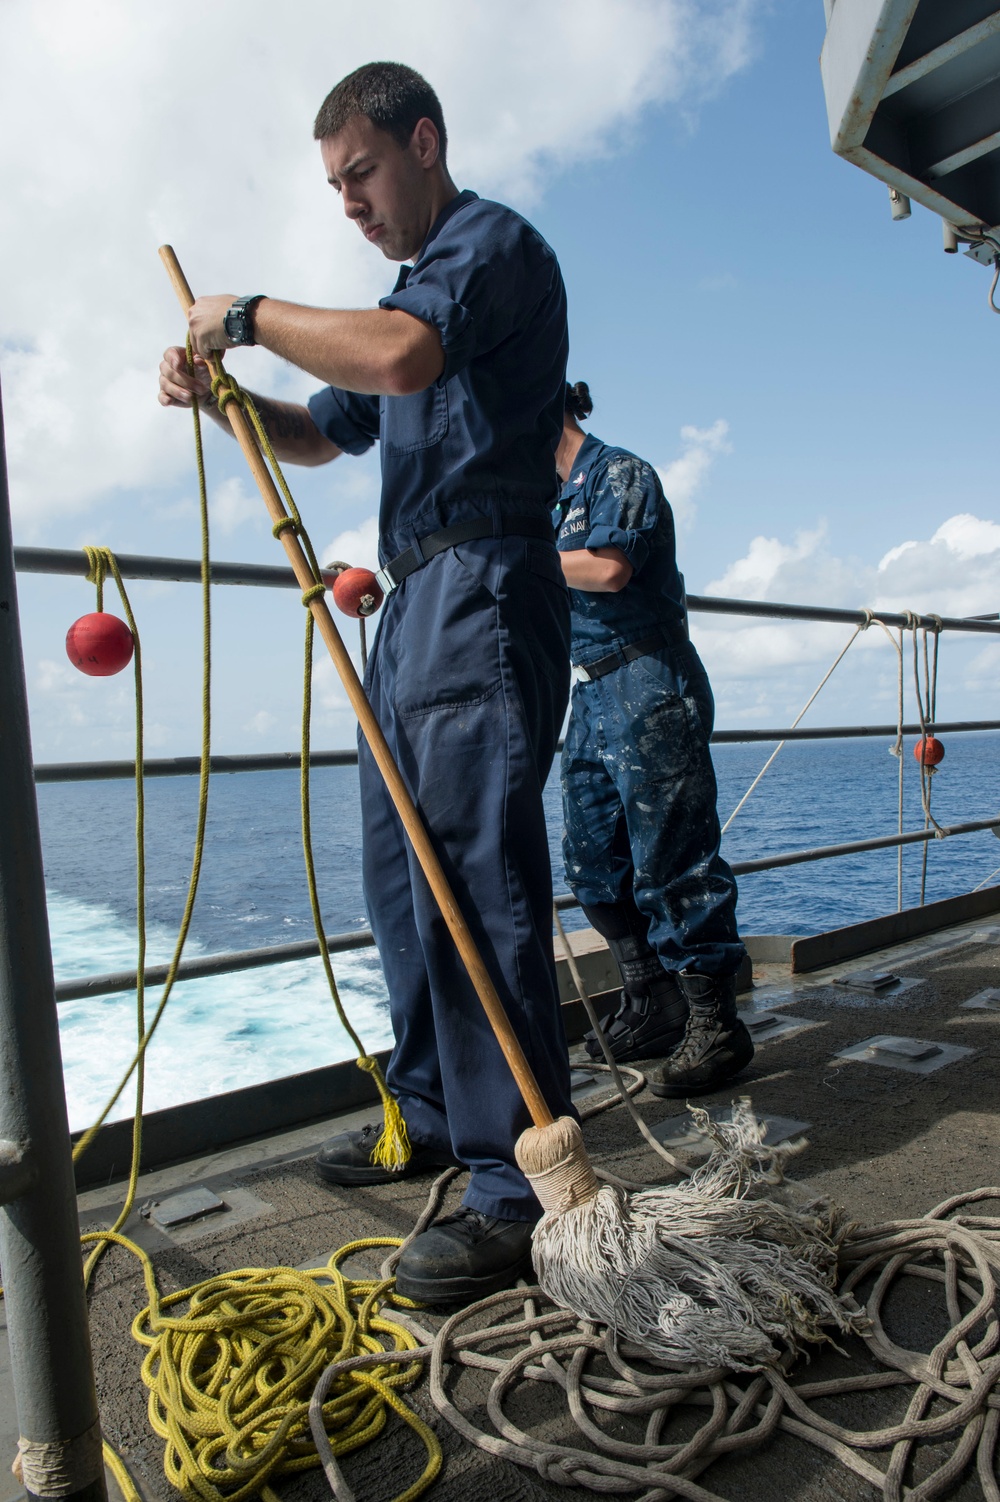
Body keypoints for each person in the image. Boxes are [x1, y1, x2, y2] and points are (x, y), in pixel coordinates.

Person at [158, 63, 575, 1303]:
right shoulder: (401, 298)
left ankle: (515, 1186)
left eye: (362, 173)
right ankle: (433, 1113)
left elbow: (398, 357)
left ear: (423, 143)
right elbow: (319, 429)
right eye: (334, 185)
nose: (348, 202)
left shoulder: (487, 249)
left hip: (482, 586)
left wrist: (244, 315)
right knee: (403, 881)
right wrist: (223, 401)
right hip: (408, 604)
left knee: (476, 883)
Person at [554, 381, 753, 1096]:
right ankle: (654, 1000)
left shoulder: (619, 472)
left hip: (648, 678)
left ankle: (716, 1025)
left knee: (673, 860)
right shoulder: (544, 504)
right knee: (592, 863)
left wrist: (511, 558)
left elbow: (609, 568)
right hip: (588, 691)